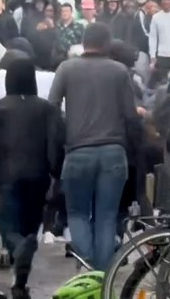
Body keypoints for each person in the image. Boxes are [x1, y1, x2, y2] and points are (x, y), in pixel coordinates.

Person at [48, 24, 141, 271]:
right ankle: (103, 275)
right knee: (107, 216)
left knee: (77, 214)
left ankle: (87, 264)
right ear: (107, 43)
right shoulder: (120, 71)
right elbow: (131, 116)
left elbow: (52, 108)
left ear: (83, 41)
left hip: (78, 151)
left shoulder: (66, 69)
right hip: (113, 152)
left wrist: (65, 133)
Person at [0, 59, 62, 299]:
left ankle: (19, 261)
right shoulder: (47, 109)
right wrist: (56, 171)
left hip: (9, 177)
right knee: (30, 230)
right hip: (39, 176)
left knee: (8, 225)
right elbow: (56, 142)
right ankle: (20, 285)